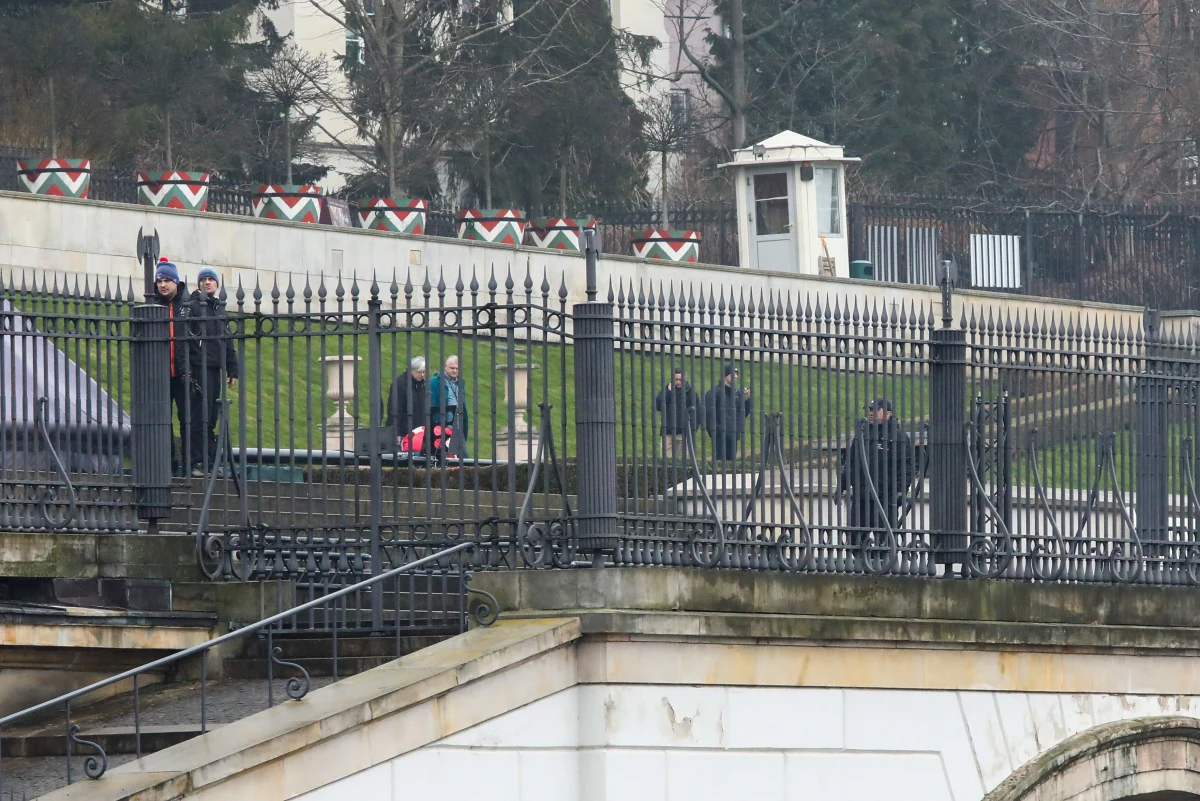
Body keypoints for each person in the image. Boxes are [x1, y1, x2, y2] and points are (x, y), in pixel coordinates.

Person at [838, 397, 915, 547]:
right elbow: (851, 461)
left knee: (885, 542)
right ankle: (861, 561)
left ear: (888, 414)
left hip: (885, 498)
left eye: (876, 410)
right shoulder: (862, 435)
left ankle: (880, 560)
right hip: (861, 497)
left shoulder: (898, 437)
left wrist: (901, 490)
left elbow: (907, 467)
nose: (871, 413)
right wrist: (842, 484)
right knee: (854, 540)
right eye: (870, 410)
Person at [187, 267, 239, 475]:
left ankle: (208, 462)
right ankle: (196, 461)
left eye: (211, 279)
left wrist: (233, 368)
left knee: (211, 418)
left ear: (216, 284)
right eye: (204, 279)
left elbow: (227, 341)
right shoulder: (193, 307)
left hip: (215, 369)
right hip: (199, 368)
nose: (207, 282)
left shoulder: (219, 309)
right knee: (199, 416)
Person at [151, 258, 199, 476]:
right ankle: (166, 464)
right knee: (163, 422)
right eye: (159, 281)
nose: (162, 285)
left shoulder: (188, 306)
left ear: (176, 282)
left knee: (187, 420)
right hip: (161, 373)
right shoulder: (153, 305)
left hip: (184, 373)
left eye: (167, 281)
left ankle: (190, 463)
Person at [703, 364, 751, 462]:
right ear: (725, 375)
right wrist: (714, 432)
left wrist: (746, 400)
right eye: (733, 374)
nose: (736, 376)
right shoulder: (715, 392)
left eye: (737, 374)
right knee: (719, 463)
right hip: (719, 435)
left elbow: (743, 413)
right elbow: (707, 413)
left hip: (733, 434)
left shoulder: (737, 393)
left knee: (731, 464)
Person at [428, 355, 469, 459]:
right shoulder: (435, 382)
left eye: (457, 369)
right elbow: (432, 406)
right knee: (442, 457)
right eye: (452, 368)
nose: (455, 371)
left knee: (463, 457)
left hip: (458, 427)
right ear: (445, 367)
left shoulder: (460, 384)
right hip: (442, 427)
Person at [386, 357, 429, 453]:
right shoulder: (400, 384)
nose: (422, 375)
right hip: (404, 431)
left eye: (424, 372)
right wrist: (396, 432)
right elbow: (395, 409)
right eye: (419, 372)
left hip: (419, 431)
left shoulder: (423, 384)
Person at [654, 367, 698, 458]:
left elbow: (697, 412)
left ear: (685, 377)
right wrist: (669, 392)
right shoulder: (666, 390)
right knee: (666, 461)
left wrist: (692, 429)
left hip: (684, 432)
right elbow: (658, 405)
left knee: (683, 462)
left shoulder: (691, 393)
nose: (678, 382)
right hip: (668, 432)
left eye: (680, 380)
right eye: (676, 379)